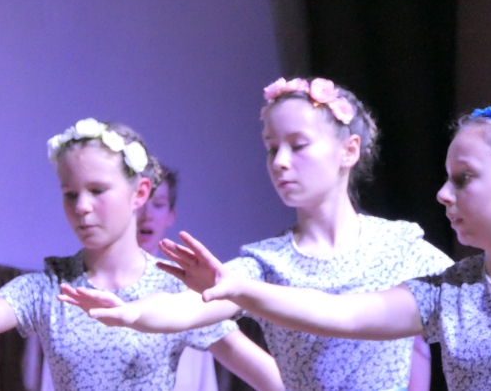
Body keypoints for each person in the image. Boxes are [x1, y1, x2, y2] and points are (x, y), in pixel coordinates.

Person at [147, 104, 491, 390]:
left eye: (464, 179)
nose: (443, 194)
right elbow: (342, 313)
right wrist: (239, 289)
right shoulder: (452, 290)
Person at [59, 78, 454, 391]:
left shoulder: (397, 246)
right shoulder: (266, 263)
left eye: (298, 146)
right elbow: (190, 306)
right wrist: (133, 313)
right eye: (271, 148)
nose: (280, 162)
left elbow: (471, 294)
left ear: (348, 151)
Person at [0, 119, 283, 391]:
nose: (82, 207)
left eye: (97, 191)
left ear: (140, 192)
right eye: (70, 194)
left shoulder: (174, 292)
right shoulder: (49, 289)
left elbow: (271, 377)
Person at [137, 165, 219, 391]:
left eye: (158, 204)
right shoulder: (89, 283)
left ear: (170, 216)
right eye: (140, 201)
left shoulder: (187, 289)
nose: (146, 215)